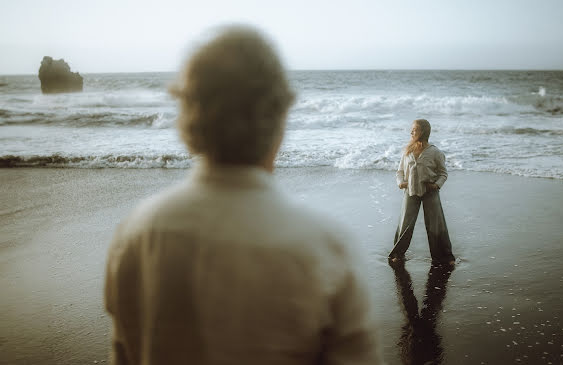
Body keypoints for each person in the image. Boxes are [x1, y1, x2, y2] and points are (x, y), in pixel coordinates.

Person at [104, 26, 383, 365]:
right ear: (278, 114)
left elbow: (123, 353)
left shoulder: (136, 232)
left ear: (189, 118)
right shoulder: (325, 247)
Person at [389, 119, 455, 264]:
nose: (411, 132)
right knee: (405, 224)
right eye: (411, 129)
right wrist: (401, 183)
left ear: (423, 131)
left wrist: (437, 185)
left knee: (435, 225)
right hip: (410, 191)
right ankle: (397, 254)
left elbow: (443, 173)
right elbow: (399, 171)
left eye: (414, 129)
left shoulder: (435, 152)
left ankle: (443, 257)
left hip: (430, 192)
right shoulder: (408, 151)